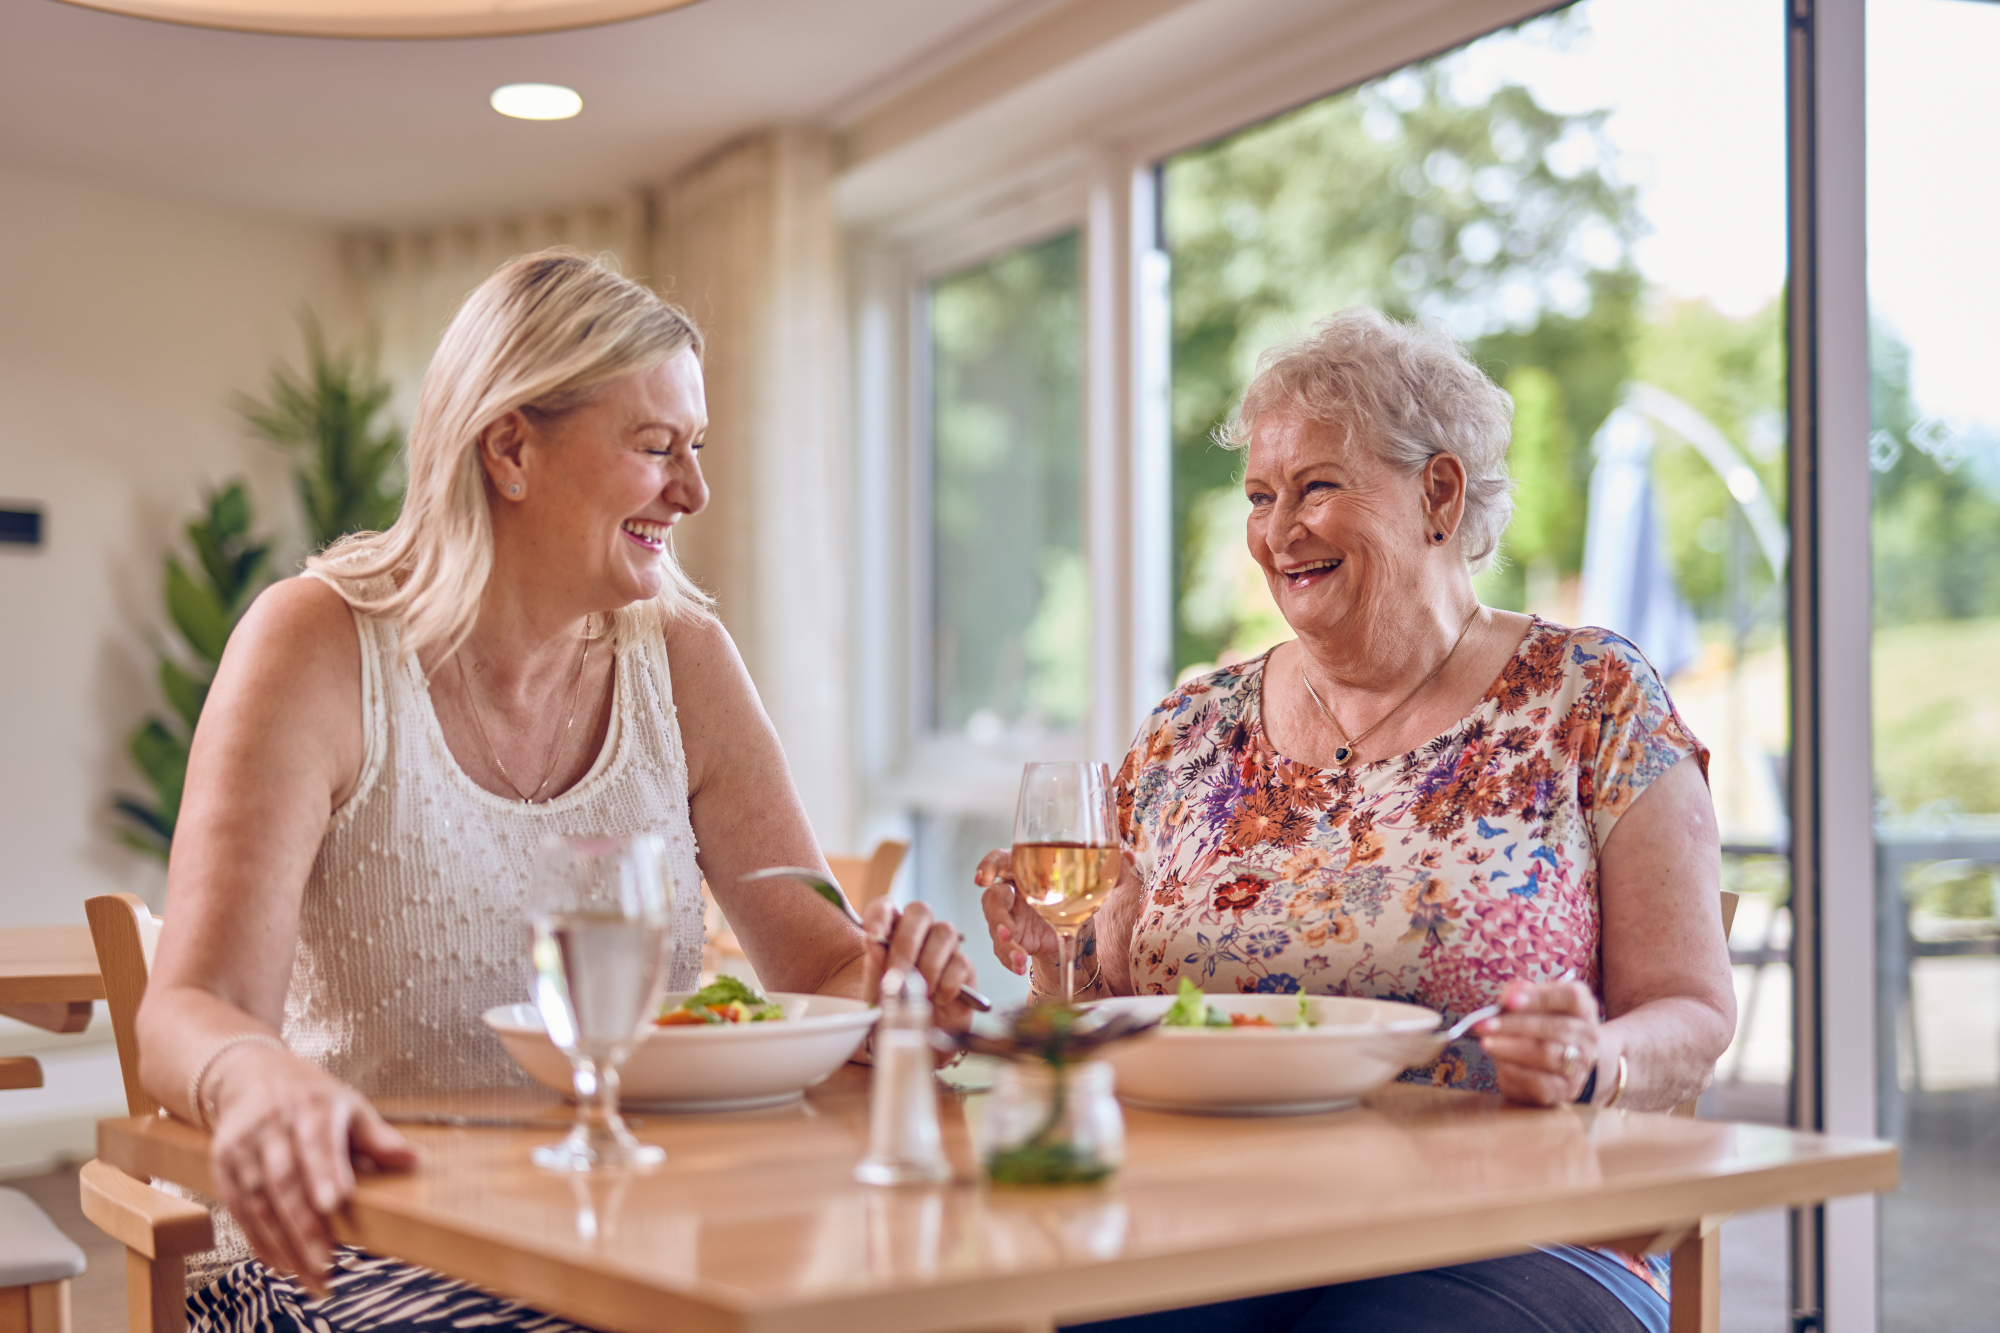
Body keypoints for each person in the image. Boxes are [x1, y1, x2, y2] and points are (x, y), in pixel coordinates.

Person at [137, 251, 977, 1332]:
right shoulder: (315, 647)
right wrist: (250, 1076)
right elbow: (190, 1007)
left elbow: (818, 965)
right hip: (355, 1245)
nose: (694, 490)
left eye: (696, 449)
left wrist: (899, 986)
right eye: (654, 446)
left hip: (630, 1233)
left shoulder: (682, 656)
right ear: (510, 448)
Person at [979, 308, 1736, 1333]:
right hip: (1204, 1217)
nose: (1275, 529)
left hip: (1507, 1231)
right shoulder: (1186, 733)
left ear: (1437, 492)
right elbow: (1107, 1007)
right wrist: (1051, 957)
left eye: (1315, 487)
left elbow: (1690, 1007)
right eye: (1258, 495)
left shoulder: (1587, 699)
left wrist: (1592, 1058)